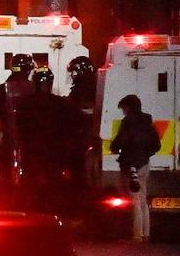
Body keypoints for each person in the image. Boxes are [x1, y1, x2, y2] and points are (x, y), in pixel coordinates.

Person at [108, 94, 161, 242]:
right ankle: (146, 234)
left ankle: (137, 235)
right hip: (144, 163)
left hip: (131, 165)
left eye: (124, 108)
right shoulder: (147, 121)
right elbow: (156, 145)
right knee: (142, 198)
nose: (123, 111)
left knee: (135, 200)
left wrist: (115, 148)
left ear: (129, 107)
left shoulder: (128, 122)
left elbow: (120, 141)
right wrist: (145, 154)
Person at [0, 53, 37, 184]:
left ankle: (5, 190)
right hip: (28, 136)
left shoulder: (3, 88)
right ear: (28, 69)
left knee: (5, 166)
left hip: (10, 134)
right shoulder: (33, 88)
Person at [65, 57, 98, 186]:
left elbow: (79, 111)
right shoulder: (92, 87)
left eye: (73, 72)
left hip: (82, 137)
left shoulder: (83, 90)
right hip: (84, 136)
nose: (72, 76)